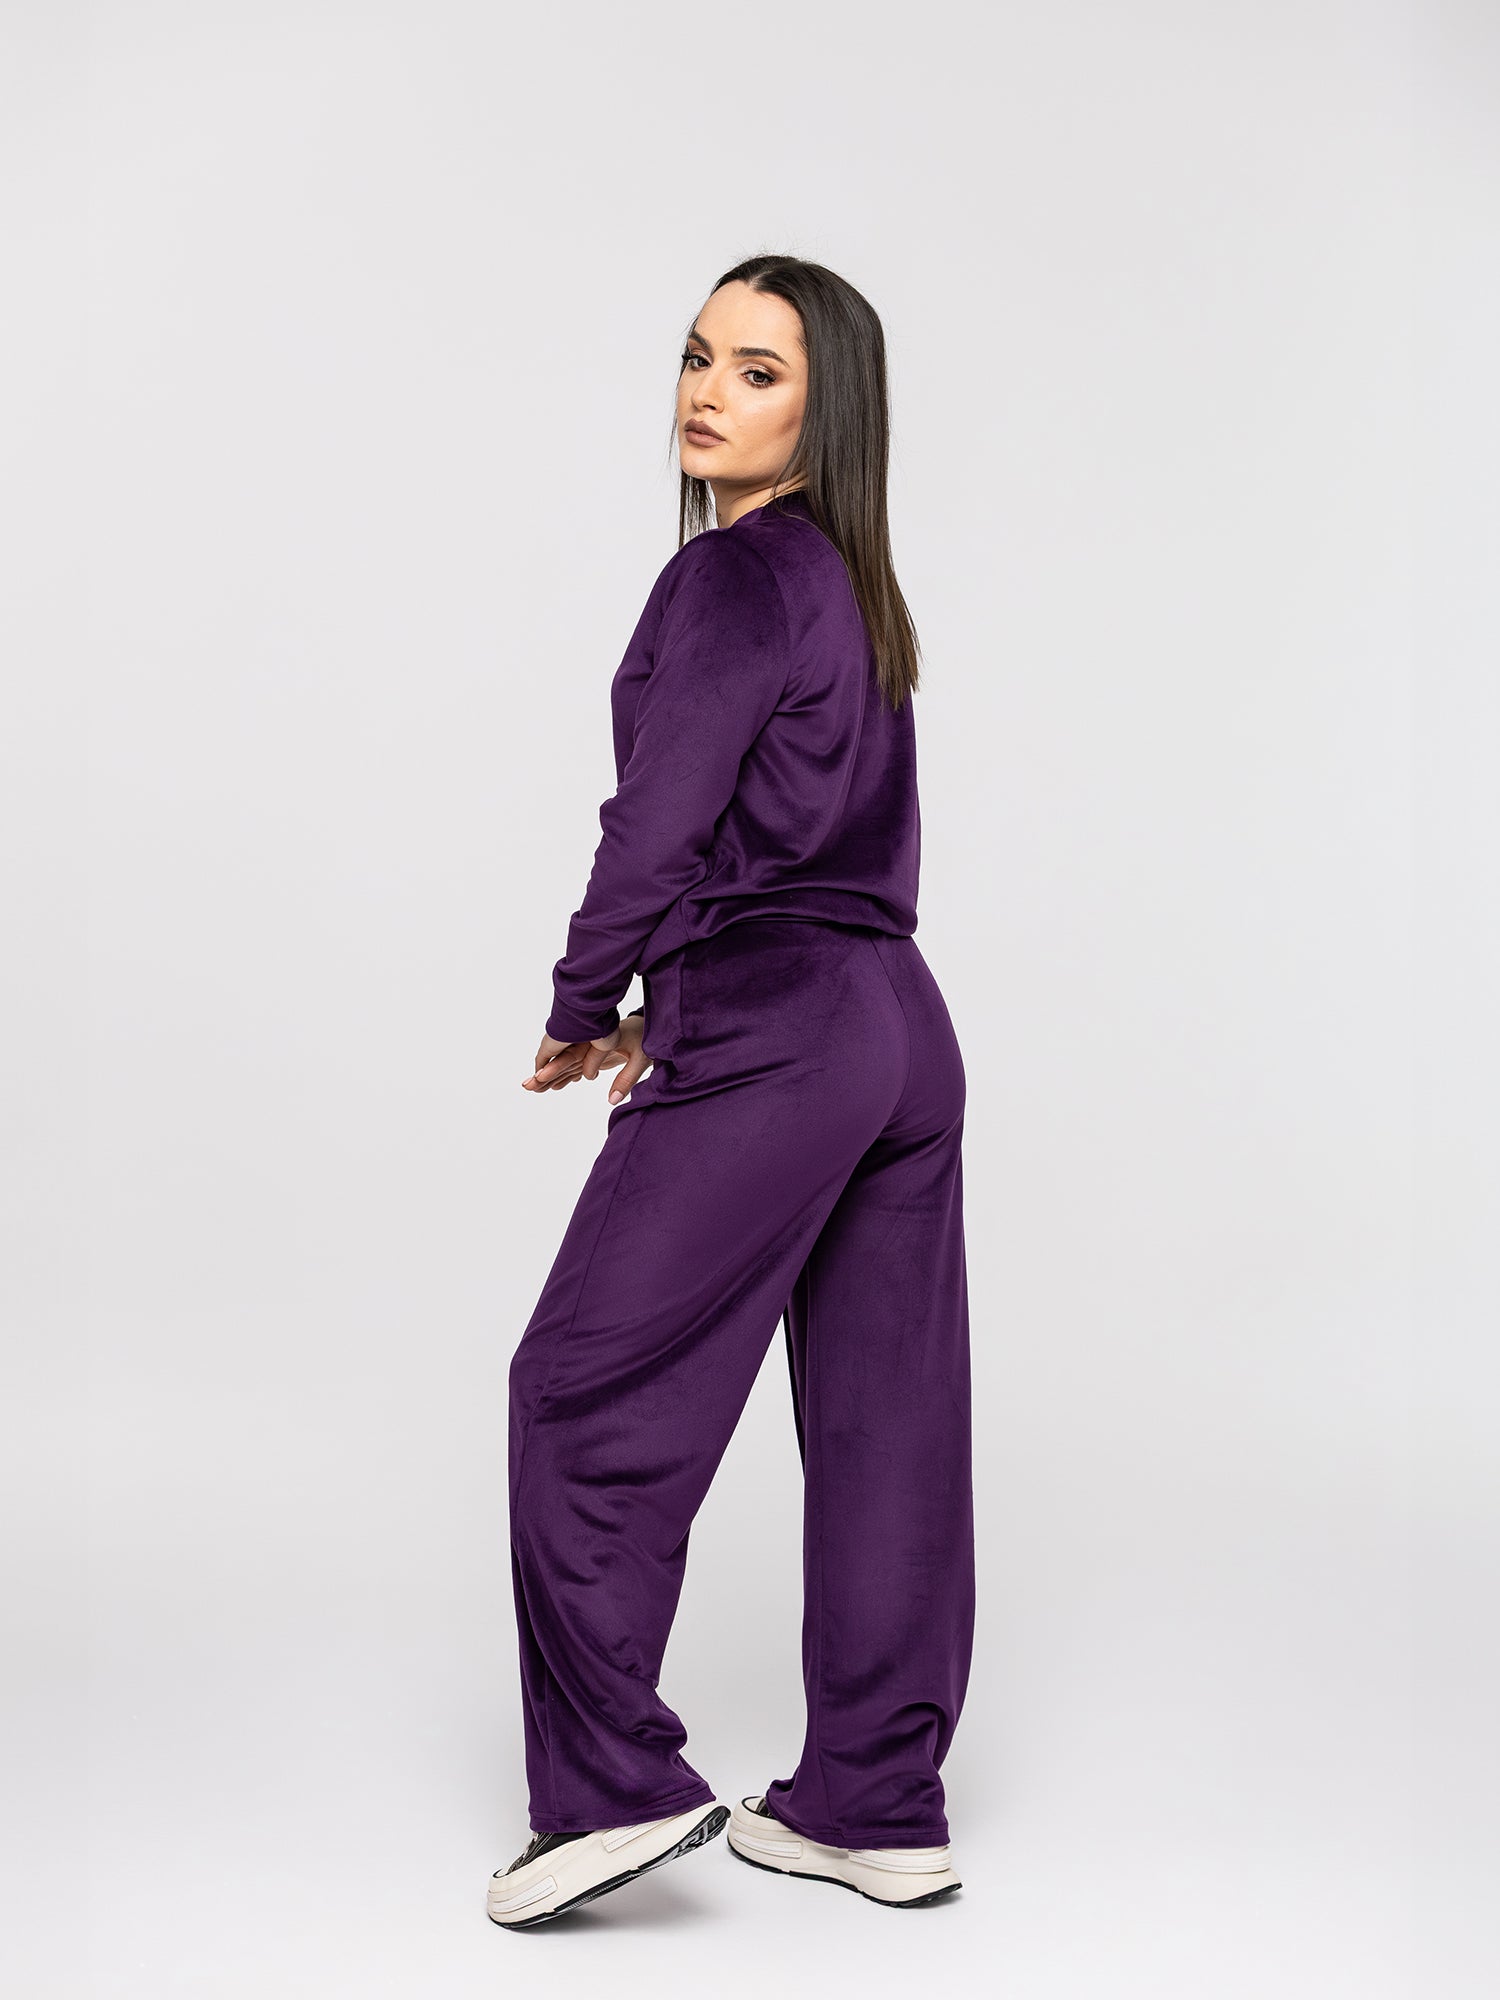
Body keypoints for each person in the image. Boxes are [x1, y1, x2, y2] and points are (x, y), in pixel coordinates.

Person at [488, 255, 975, 1930]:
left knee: (578, 1393)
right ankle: (876, 1803)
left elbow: (661, 826)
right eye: (701, 357)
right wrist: (667, 998)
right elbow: (805, 841)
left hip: (777, 1028)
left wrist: (585, 1004)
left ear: (827, 411)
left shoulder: (734, 576)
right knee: (886, 1429)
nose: (708, 391)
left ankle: (610, 1792)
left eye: (760, 371)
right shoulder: (852, 585)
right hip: (897, 1026)